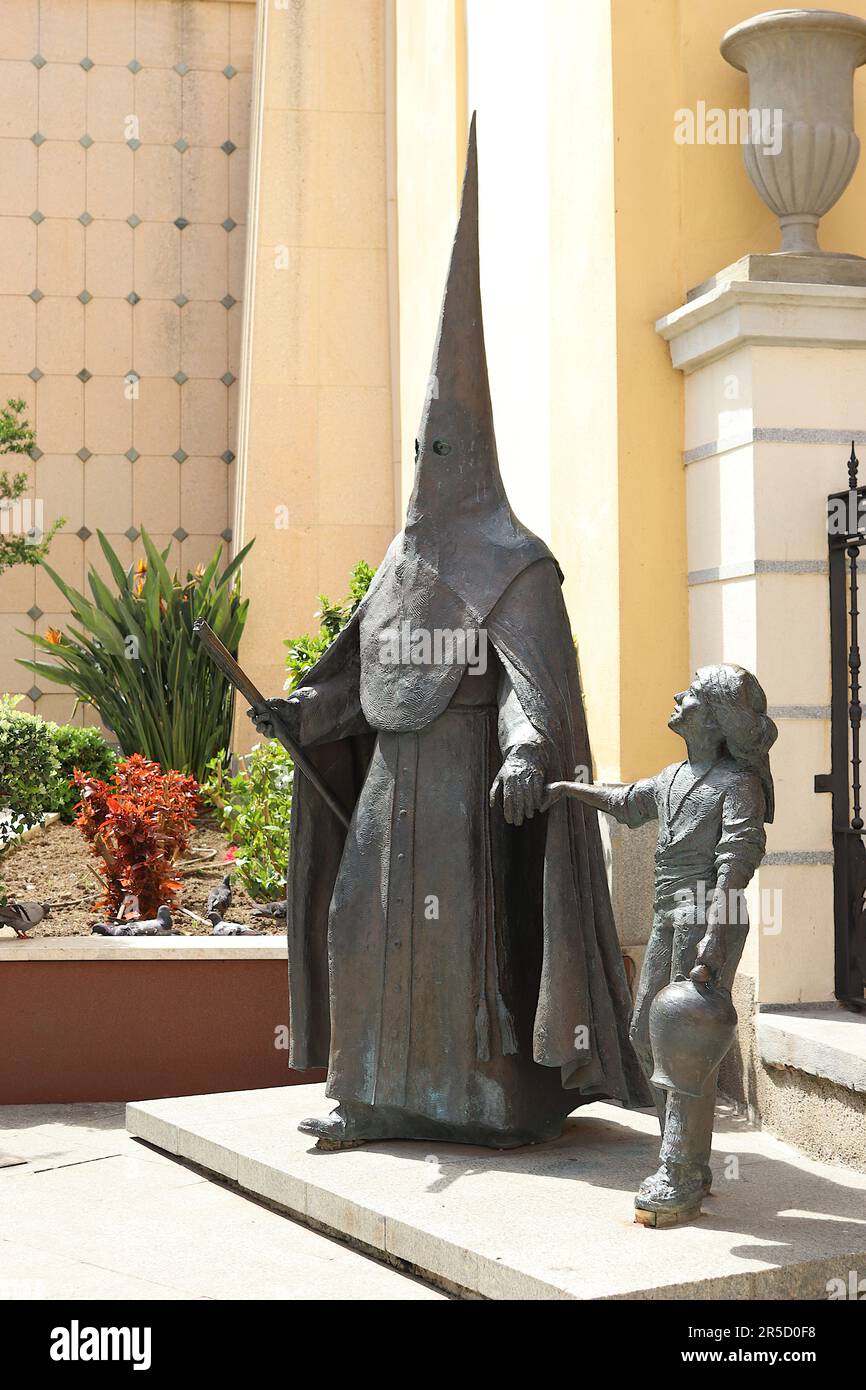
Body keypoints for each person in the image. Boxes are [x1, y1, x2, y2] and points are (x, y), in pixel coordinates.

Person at [248, 116, 648, 1149]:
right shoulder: (400, 556)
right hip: (391, 782)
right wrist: (309, 708)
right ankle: (368, 1094)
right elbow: (366, 669)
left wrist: (523, 747)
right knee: (359, 925)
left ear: (470, 447)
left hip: (464, 785)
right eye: (417, 440)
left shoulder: (511, 557)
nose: (425, 455)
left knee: (458, 948)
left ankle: (484, 1095)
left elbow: (530, 683)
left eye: (441, 439)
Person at [544, 663, 777, 1216]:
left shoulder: (737, 784)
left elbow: (738, 858)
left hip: (706, 915)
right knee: (646, 1034)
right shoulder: (673, 777)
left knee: (682, 1041)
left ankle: (680, 1169)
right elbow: (627, 803)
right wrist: (567, 790)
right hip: (669, 914)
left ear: (716, 718)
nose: (679, 694)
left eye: (692, 692)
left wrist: (715, 939)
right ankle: (683, 1155)